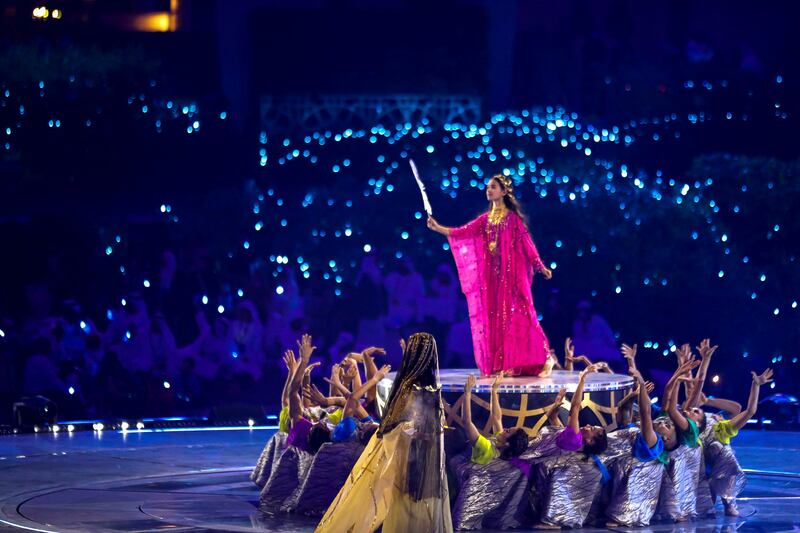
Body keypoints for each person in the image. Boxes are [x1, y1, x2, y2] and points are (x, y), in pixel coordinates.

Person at [316, 332, 452, 533]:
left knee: (423, 512)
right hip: (410, 464)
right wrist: (417, 432)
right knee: (408, 513)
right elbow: (400, 427)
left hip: (427, 463)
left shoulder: (424, 388)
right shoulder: (410, 389)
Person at [427, 174, 552, 377]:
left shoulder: (513, 220)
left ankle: (530, 360)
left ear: (504, 192)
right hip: (491, 281)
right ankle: (501, 364)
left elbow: (526, 243)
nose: (489, 190)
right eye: (488, 187)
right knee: (494, 319)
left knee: (518, 315)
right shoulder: (484, 220)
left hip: (511, 279)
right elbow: (462, 232)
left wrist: (540, 265)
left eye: (493, 187)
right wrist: (438, 228)